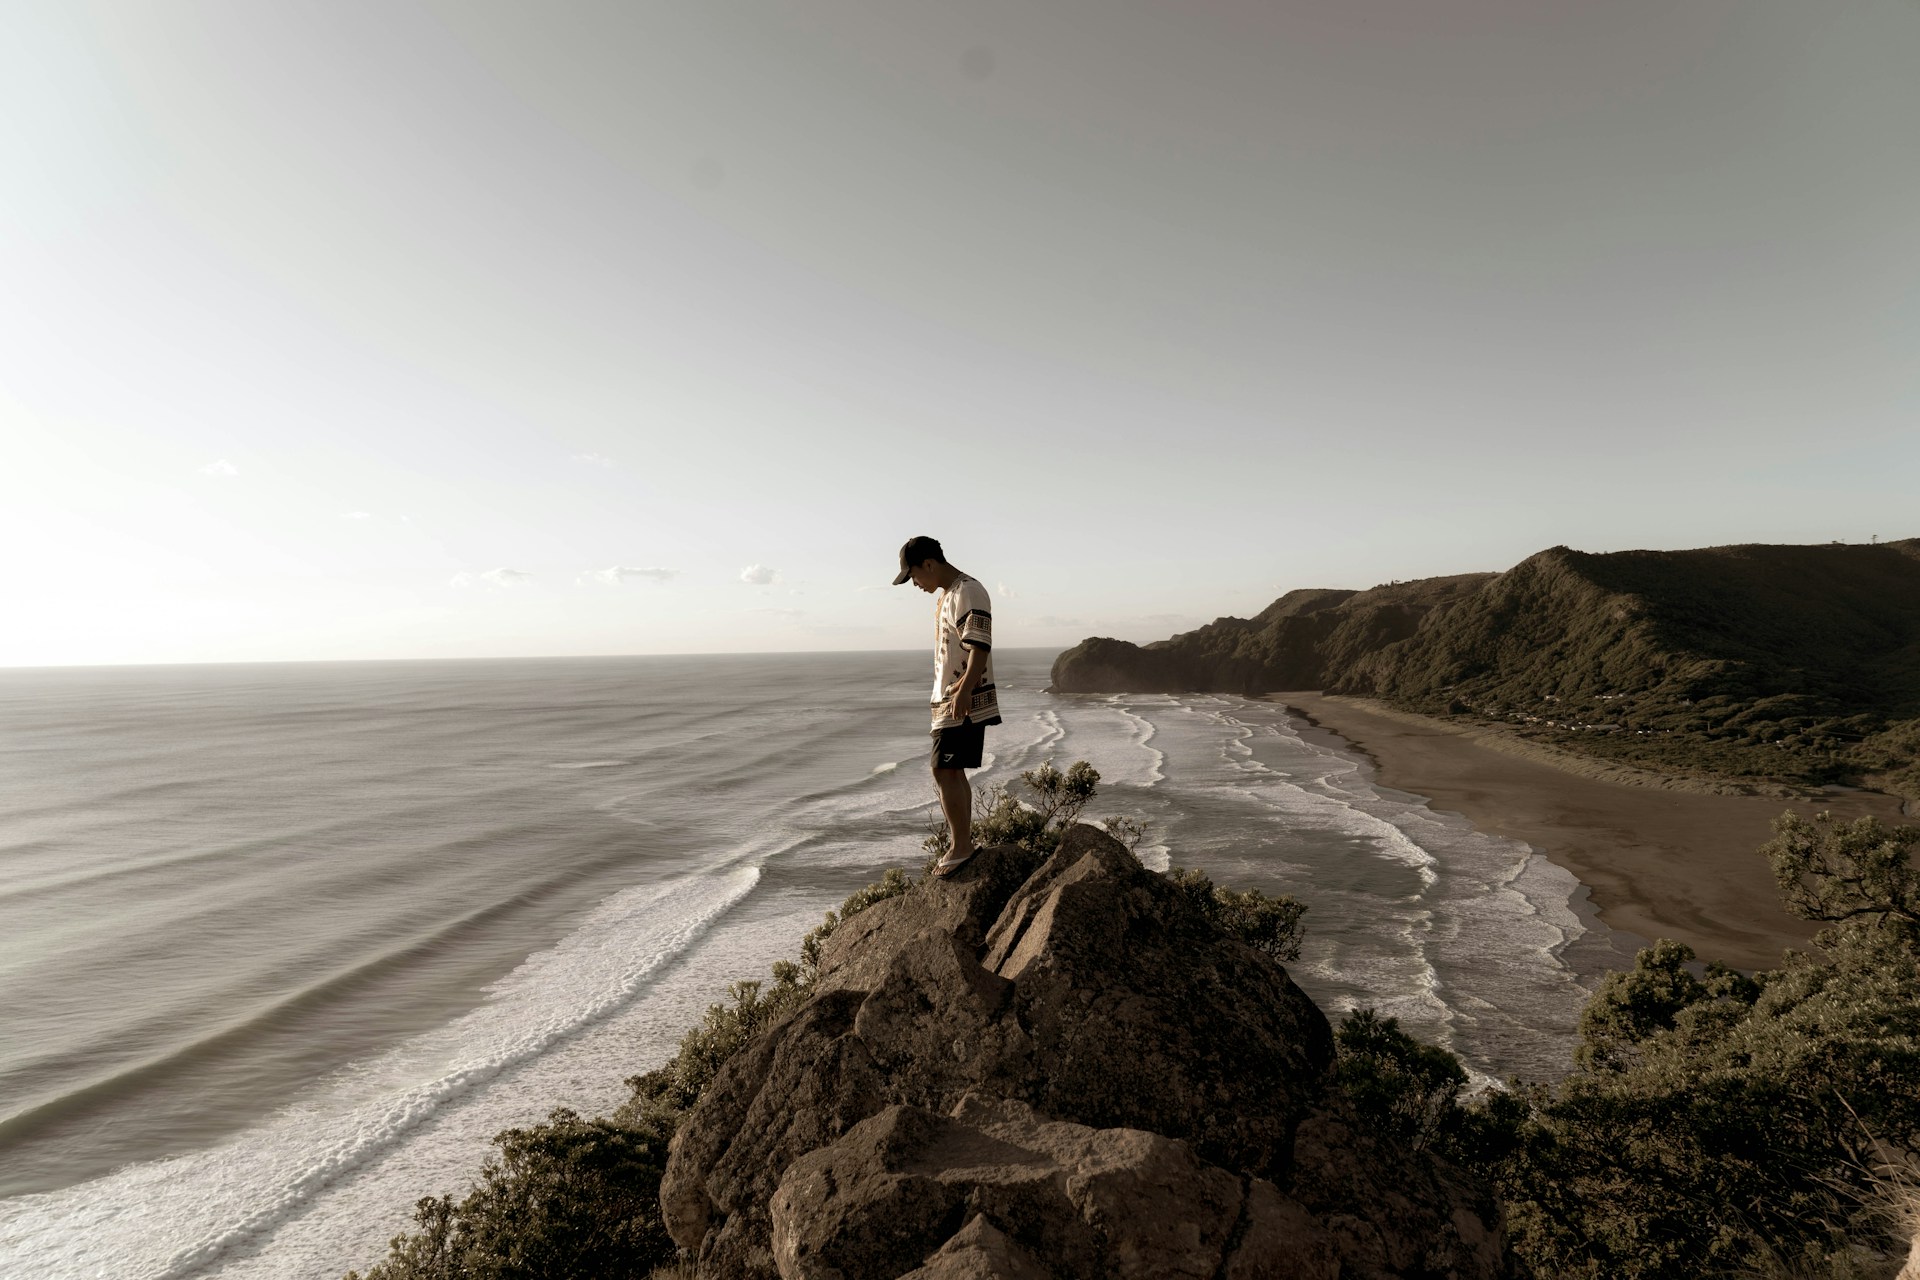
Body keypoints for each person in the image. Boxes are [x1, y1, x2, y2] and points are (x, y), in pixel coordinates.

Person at [893, 536, 1001, 877]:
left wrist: (966, 689)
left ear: (928, 564)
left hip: (962, 699)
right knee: (951, 771)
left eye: (913, 576)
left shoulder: (968, 590)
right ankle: (963, 842)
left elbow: (979, 643)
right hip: (951, 699)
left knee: (943, 771)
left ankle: (962, 846)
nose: (914, 584)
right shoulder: (949, 595)